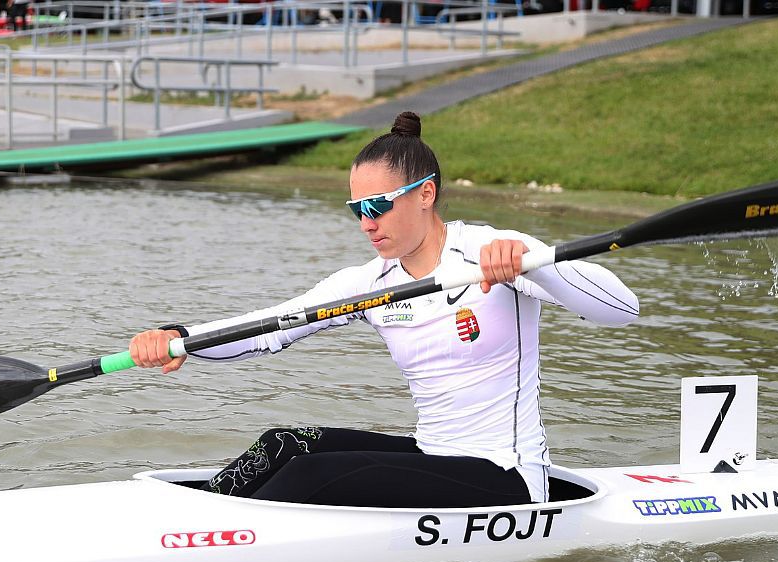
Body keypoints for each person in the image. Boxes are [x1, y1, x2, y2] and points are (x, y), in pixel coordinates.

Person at [129, 111, 639, 508]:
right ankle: (197, 521)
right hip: (432, 454)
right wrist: (180, 338)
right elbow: (269, 328)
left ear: (426, 194)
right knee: (283, 445)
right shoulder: (370, 282)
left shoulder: (492, 249)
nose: (367, 224)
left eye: (378, 206)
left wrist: (534, 267)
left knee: (311, 477)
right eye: (357, 210)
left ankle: (219, 543)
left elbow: (622, 308)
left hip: (505, 474)